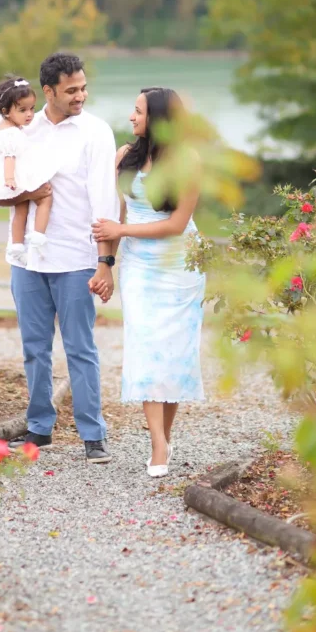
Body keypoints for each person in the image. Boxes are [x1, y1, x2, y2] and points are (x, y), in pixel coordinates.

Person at [0, 52, 119, 464]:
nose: (81, 95)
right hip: (28, 258)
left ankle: (92, 435)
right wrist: (27, 195)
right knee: (34, 348)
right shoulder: (21, 125)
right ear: (49, 92)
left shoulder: (96, 132)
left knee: (80, 348)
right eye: (72, 90)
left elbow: (105, 202)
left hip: (76, 257)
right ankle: (39, 428)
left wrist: (106, 262)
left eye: (83, 87)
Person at [92, 87, 205, 478]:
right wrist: (104, 264)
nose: (131, 117)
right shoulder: (124, 157)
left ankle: (164, 436)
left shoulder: (187, 161)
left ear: (157, 118)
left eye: (138, 111)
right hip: (139, 269)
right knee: (145, 350)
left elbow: (176, 225)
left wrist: (121, 228)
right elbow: (110, 215)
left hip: (181, 267)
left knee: (172, 354)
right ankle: (158, 443)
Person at [0, 77, 55, 267]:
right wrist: (10, 178)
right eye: (23, 110)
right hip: (14, 175)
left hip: (6, 175)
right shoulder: (12, 133)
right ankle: (38, 235)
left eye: (32, 108)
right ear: (6, 111)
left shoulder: (2, 124)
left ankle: (17, 246)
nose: (30, 114)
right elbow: (10, 157)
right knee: (45, 197)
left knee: (20, 209)